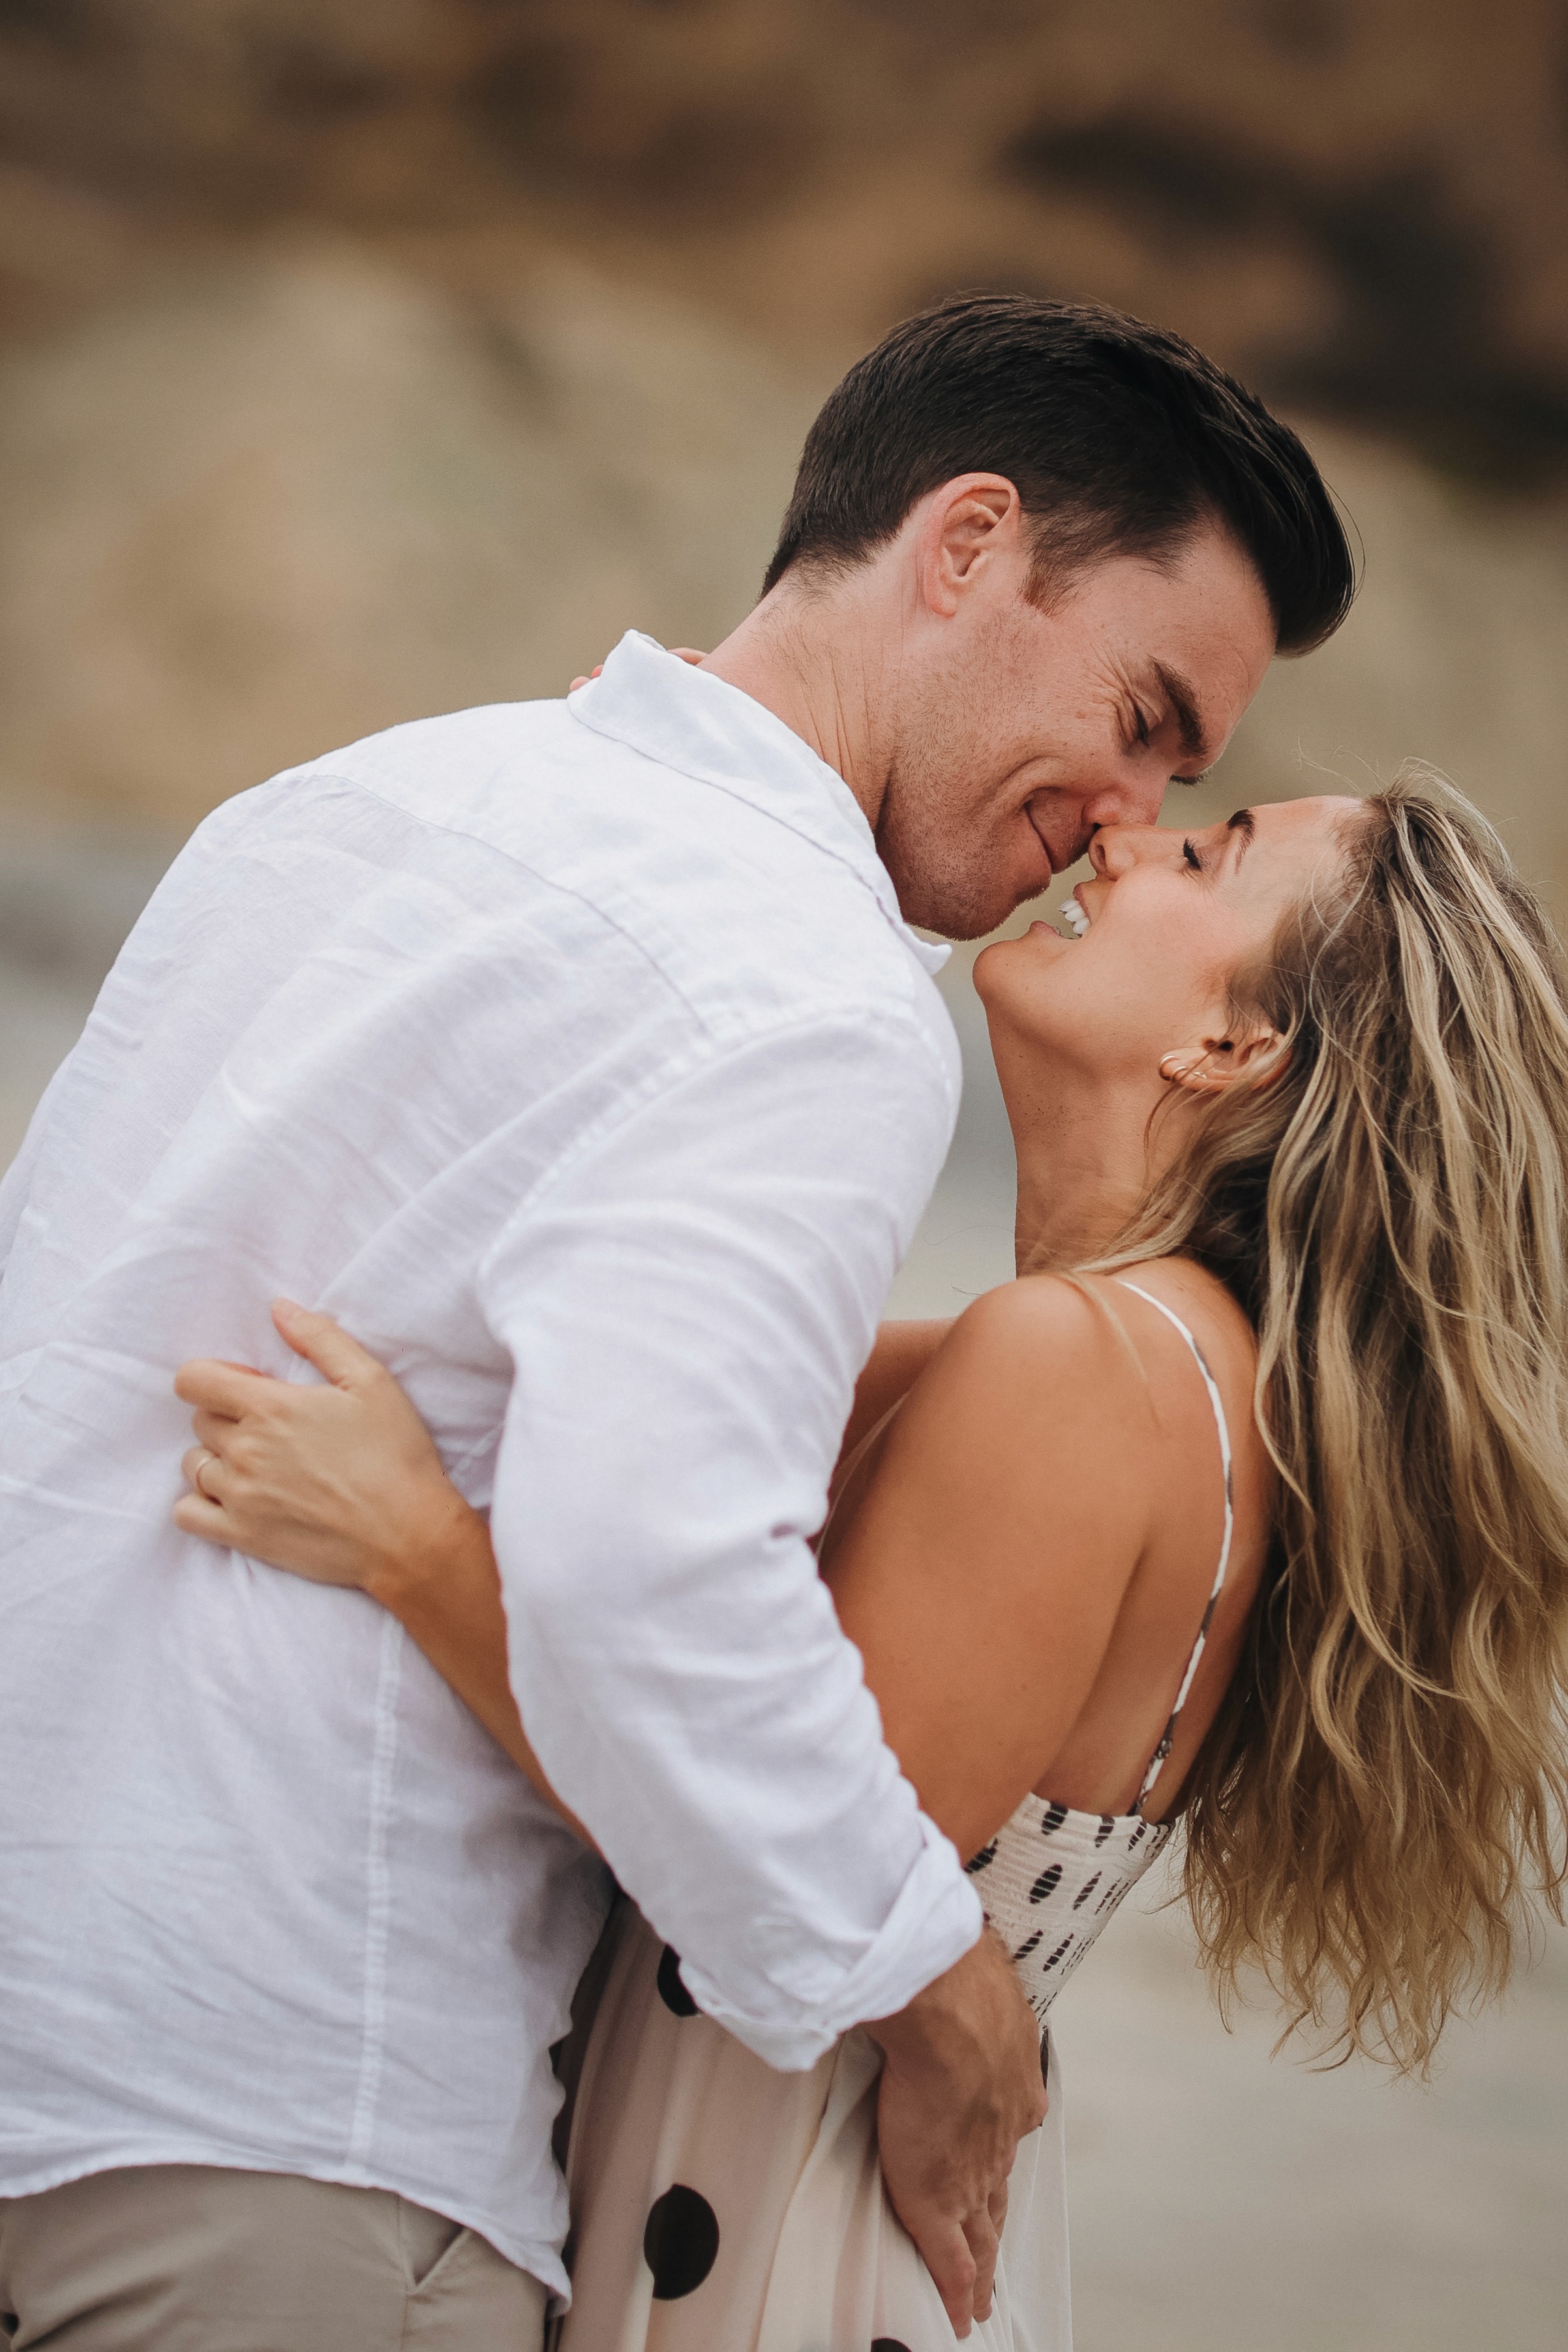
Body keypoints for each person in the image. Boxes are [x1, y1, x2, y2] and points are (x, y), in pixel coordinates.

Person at [0, 296, 1353, 2347]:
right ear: (967, 541)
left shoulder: (332, 804)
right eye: (1145, 715)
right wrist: (941, 1984)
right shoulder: (801, 982)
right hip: (296, 2107)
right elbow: (645, 1572)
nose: (1120, 812)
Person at [171, 772, 1568, 2347]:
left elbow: (741, 1820)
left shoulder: (1084, 1369)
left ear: (1235, 1046)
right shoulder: (1165, 1375)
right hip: (804, 2223)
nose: (1124, 835)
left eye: (1204, 850)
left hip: (753, 2240)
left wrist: (410, 1542)